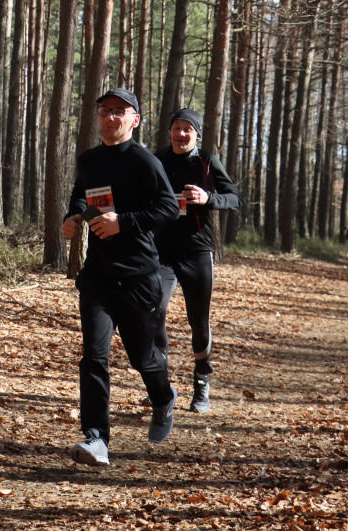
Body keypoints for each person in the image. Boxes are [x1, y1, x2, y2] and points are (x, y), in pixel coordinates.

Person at [61, 88, 181, 467]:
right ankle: (97, 438)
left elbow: (168, 207)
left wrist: (123, 223)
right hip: (98, 275)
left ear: (135, 120)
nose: (110, 117)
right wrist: (74, 215)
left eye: (119, 111)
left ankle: (163, 398)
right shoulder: (90, 159)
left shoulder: (144, 162)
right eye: (104, 111)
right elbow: (82, 194)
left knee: (142, 357)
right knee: (94, 355)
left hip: (138, 277)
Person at [153, 108, 241, 414]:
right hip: (161, 252)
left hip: (198, 252)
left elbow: (234, 197)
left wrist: (208, 198)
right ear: (170, 132)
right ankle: (159, 385)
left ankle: (202, 382)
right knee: (155, 310)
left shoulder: (207, 161)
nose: (180, 133)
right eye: (176, 127)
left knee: (198, 320)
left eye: (186, 129)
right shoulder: (158, 159)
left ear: (197, 135)